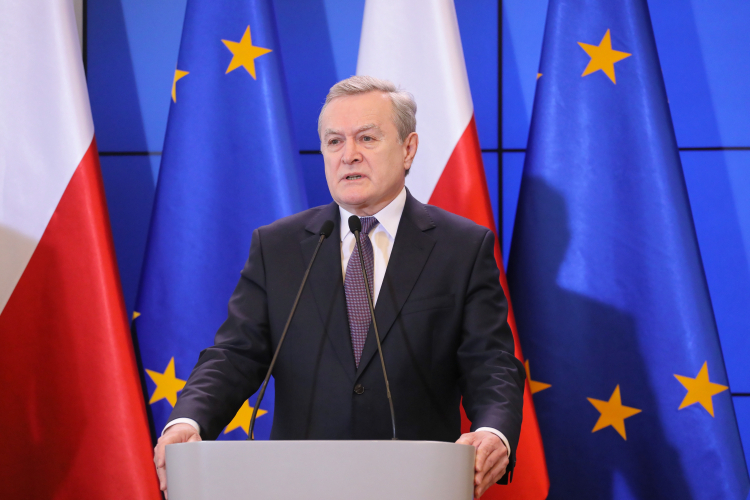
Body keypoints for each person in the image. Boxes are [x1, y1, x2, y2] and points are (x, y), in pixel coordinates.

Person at [153, 76, 525, 499]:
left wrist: (493, 430)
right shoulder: (278, 247)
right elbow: (235, 354)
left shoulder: (461, 247)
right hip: (298, 485)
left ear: (408, 149)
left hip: (415, 484)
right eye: (334, 142)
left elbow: (490, 361)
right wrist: (189, 420)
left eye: (367, 138)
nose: (349, 155)